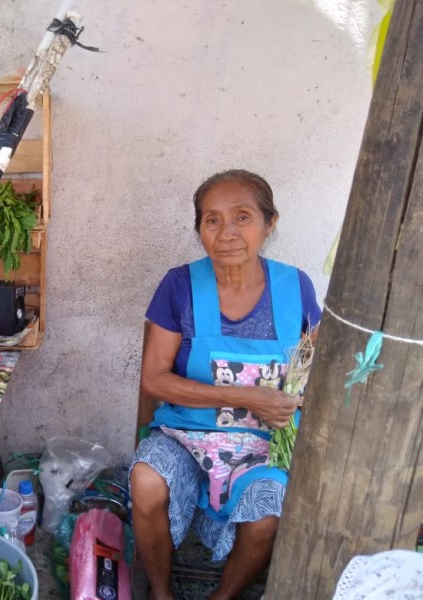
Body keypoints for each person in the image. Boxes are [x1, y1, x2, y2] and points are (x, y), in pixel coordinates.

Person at [129, 169, 321, 600]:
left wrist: (297, 401)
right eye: (212, 220)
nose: (227, 232)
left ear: (269, 224)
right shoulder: (179, 285)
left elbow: (318, 367)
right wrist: (243, 395)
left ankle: (224, 596)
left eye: (242, 217)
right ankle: (160, 591)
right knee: (145, 478)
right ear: (199, 228)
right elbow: (154, 378)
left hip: (262, 442)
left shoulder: (296, 287)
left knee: (271, 505)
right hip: (183, 433)